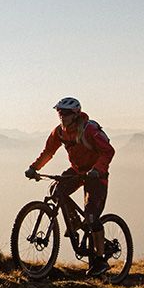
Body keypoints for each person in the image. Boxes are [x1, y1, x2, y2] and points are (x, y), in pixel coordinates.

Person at [24, 97, 116, 275]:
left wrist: (97, 170)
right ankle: (74, 224)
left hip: (96, 175)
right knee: (56, 189)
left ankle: (99, 261)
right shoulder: (60, 132)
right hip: (78, 170)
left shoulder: (89, 130)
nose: (61, 116)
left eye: (65, 113)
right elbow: (49, 152)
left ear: (75, 114)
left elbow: (108, 151)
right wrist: (34, 168)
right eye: (59, 112)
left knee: (91, 216)